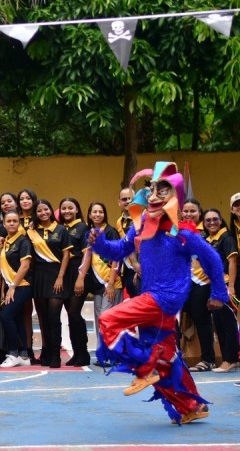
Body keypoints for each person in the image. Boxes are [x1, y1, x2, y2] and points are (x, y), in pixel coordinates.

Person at [91, 162, 228, 424]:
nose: (153, 197)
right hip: (153, 297)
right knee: (166, 358)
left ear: (175, 196)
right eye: (151, 189)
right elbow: (119, 250)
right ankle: (193, 406)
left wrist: (219, 293)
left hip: (164, 299)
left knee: (108, 320)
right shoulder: (142, 224)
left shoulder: (183, 233)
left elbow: (211, 258)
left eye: (162, 191)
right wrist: (98, 243)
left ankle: (145, 368)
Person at [28, 198, 71, 368]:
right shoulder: (31, 231)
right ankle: (46, 352)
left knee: (54, 317)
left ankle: (55, 355)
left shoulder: (60, 229)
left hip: (56, 274)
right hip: (39, 276)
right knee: (43, 318)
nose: (43, 213)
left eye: (46, 209)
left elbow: (66, 255)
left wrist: (60, 276)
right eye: (39, 211)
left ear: (51, 210)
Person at [200, 209, 239, 373]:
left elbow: (233, 262)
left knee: (228, 323)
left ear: (221, 220)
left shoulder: (226, 238)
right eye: (208, 220)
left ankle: (230, 359)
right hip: (215, 286)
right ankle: (227, 359)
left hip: (225, 286)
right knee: (219, 323)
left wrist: (231, 287)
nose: (212, 223)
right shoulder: (207, 240)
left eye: (215, 219)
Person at [82, 202, 123, 358]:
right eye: (94, 212)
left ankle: (113, 354)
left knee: (109, 319)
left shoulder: (111, 232)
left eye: (100, 211)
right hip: (97, 285)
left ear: (105, 214)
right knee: (100, 319)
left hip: (111, 284)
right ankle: (103, 353)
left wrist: (111, 284)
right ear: (90, 214)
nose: (97, 214)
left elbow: (116, 258)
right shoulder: (90, 233)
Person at [0, 211, 33, 367]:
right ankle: (24, 355)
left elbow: (25, 266)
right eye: (8, 221)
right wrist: (5, 287)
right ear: (4, 224)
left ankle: (13, 353)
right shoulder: (6, 241)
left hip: (22, 285)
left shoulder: (23, 241)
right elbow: (5, 266)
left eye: (15, 221)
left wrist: (13, 286)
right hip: (12, 285)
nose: (11, 223)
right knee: (17, 318)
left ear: (19, 223)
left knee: (6, 316)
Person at [180, 199, 216, 372]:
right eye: (186, 211)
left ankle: (208, 359)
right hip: (182, 283)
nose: (189, 214)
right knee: (174, 318)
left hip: (202, 281)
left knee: (201, 318)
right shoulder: (177, 231)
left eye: (192, 211)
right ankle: (174, 357)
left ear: (199, 212)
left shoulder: (206, 231)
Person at [59, 198, 90, 366]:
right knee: (71, 315)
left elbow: (87, 254)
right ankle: (77, 353)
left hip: (78, 272)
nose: (67, 211)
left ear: (77, 210)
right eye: (63, 208)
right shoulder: (59, 228)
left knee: (74, 313)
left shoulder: (82, 227)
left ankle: (83, 352)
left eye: (70, 208)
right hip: (64, 274)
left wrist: (81, 277)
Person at [116, 187, 140, 298]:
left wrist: (137, 265)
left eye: (131, 198)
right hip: (127, 268)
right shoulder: (119, 222)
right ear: (119, 202)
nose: (127, 201)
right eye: (124, 199)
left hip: (141, 266)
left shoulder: (143, 217)